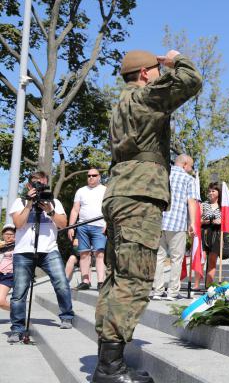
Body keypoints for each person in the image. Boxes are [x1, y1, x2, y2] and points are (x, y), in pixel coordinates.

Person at [92, 49, 201, 383]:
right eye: (154, 70)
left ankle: (106, 361)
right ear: (143, 74)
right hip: (139, 197)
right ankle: (111, 369)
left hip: (122, 193)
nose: (158, 75)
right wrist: (173, 60)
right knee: (133, 280)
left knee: (116, 279)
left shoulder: (121, 105)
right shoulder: (143, 98)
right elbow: (191, 80)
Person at [7, 171, 74, 343]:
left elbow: (63, 224)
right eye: (37, 184)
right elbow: (18, 224)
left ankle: (66, 316)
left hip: (49, 250)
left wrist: (50, 211)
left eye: (43, 184)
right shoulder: (19, 201)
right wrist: (29, 203)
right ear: (29, 186)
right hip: (23, 252)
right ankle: (17, 328)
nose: (40, 187)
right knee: (19, 292)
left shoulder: (54, 202)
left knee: (61, 283)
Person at [151, 154, 199, 301]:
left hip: (159, 223)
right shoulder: (189, 179)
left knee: (159, 258)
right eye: (191, 166)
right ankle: (172, 293)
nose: (191, 170)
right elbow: (191, 202)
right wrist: (192, 222)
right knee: (176, 259)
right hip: (177, 223)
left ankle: (157, 291)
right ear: (184, 164)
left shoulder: (164, 175)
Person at [68, 168, 107, 290]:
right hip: (82, 226)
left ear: (99, 177)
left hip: (100, 226)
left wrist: (107, 223)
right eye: (89, 175)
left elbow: (109, 209)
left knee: (99, 253)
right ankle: (85, 281)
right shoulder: (81, 191)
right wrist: (71, 226)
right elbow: (75, 209)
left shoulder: (105, 190)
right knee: (84, 254)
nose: (91, 177)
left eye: (94, 175)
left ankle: (101, 282)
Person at [201, 182, 229, 287]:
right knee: (202, 259)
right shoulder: (204, 204)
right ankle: (198, 284)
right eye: (209, 191)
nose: (210, 193)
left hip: (218, 235)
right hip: (205, 233)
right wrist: (205, 221)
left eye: (213, 191)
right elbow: (198, 220)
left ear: (218, 192)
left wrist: (221, 221)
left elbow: (228, 220)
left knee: (212, 260)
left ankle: (208, 286)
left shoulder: (223, 206)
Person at [0, 224, 16, 311]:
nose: (9, 236)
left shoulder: (19, 245)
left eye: (11, 234)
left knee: (1, 301)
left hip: (8, 275)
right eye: (6, 234)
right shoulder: (1, 246)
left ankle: (19, 314)